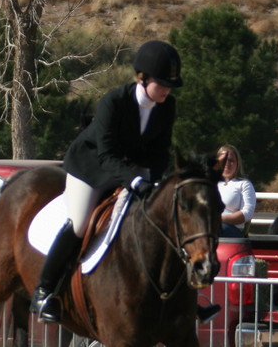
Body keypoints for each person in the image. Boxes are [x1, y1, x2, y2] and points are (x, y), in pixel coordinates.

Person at [30, 40, 182, 324]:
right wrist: (134, 180)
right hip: (91, 168)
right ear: (142, 78)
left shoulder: (167, 106)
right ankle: (44, 291)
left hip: (131, 170)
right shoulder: (113, 101)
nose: (167, 89)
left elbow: (160, 151)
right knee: (80, 223)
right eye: (162, 83)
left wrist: (153, 179)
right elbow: (107, 154)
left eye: (169, 84)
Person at [216, 144, 256, 238]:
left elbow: (248, 212)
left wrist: (219, 220)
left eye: (231, 160)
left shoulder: (244, 184)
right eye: (223, 160)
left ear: (238, 163)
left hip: (232, 230)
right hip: (209, 227)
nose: (227, 163)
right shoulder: (211, 184)